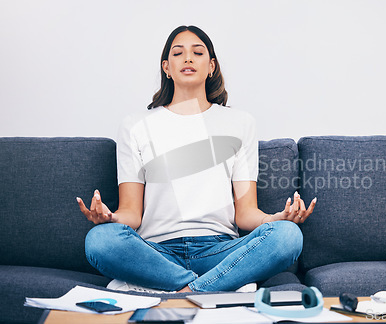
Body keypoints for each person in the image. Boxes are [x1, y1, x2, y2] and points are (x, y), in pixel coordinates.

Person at [76, 25, 317, 293]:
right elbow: (131, 214)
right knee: (100, 240)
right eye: (178, 53)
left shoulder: (240, 123)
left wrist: (278, 218)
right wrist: (109, 218)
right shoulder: (135, 125)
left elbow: (246, 213)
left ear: (211, 66)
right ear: (166, 67)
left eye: (197, 52)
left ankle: (187, 291)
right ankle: (209, 288)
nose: (188, 58)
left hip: (219, 251)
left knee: (288, 236)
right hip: (155, 252)